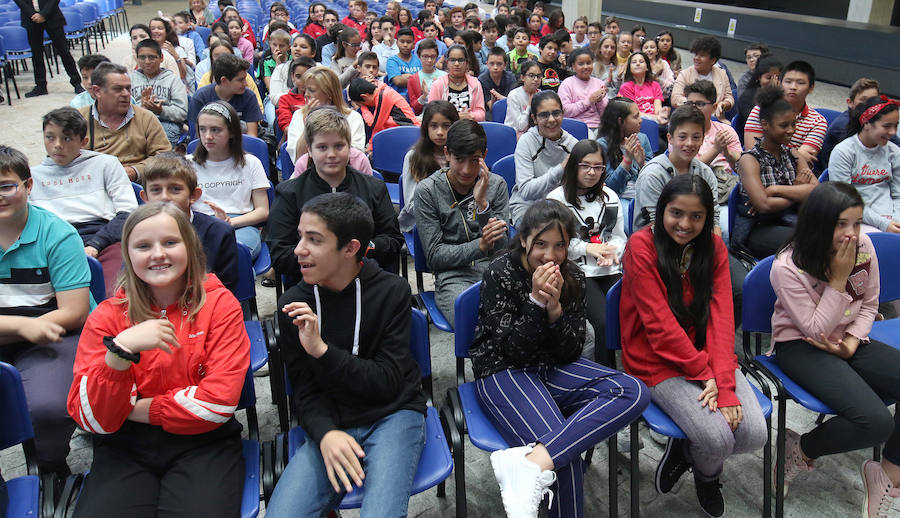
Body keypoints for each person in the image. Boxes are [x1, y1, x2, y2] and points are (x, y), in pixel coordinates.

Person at [66, 202, 249, 518]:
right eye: (143, 246)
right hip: (124, 448)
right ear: (128, 255)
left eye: (170, 242)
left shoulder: (220, 305)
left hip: (204, 443)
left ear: (190, 247)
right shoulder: (107, 318)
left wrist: (133, 408)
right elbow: (93, 419)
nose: (157, 254)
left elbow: (217, 404)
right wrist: (119, 353)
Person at [472, 199, 648, 518]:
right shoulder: (501, 272)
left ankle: (529, 464)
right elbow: (512, 350)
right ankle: (541, 464)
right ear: (524, 239)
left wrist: (555, 312)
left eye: (560, 245)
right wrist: (536, 302)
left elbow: (570, 350)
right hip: (504, 371)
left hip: (552, 367)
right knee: (565, 465)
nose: (550, 255)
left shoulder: (574, 278)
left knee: (633, 391)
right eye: (540, 244)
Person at [265, 192, 426, 518]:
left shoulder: (392, 291)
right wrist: (325, 434)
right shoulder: (294, 305)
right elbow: (304, 391)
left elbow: (387, 382)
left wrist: (321, 351)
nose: (298, 250)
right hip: (333, 418)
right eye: (300, 237)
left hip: (393, 414)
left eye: (314, 240)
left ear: (350, 248)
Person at [621, 174, 767, 518]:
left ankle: (687, 451)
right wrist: (705, 374)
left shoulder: (713, 248)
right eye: (676, 213)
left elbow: (720, 316)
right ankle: (706, 473)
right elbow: (659, 327)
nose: (685, 224)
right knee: (717, 439)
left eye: (696, 216)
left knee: (753, 434)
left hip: (703, 352)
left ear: (707, 218)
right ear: (661, 211)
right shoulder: (641, 247)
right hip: (654, 359)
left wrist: (725, 383)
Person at [770, 182, 900, 518]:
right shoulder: (787, 266)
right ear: (817, 223)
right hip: (800, 345)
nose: (852, 234)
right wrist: (839, 280)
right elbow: (814, 328)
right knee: (875, 422)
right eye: (841, 224)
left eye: (856, 223)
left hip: (847, 339)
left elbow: (870, 304)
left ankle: (888, 474)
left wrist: (853, 342)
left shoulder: (864, 245)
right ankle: (800, 449)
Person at [0, 145, 91, 478]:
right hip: (27, 328)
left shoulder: (57, 234)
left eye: (6, 186)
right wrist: (21, 326)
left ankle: (50, 464)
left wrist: (29, 329)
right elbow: (26, 326)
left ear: (28, 186)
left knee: (47, 408)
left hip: (54, 334)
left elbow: (74, 312)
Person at [268, 108, 403, 279]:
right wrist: (327, 256)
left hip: (364, 278)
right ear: (309, 150)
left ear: (349, 147)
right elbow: (280, 254)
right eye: (322, 147)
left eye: (339, 146)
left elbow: (393, 240)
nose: (331, 154)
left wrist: (358, 250)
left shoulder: (374, 188)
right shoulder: (289, 193)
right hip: (310, 285)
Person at [30, 107, 137, 296]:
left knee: (113, 293)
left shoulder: (106, 164)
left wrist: (96, 244)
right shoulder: (32, 175)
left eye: (67, 138)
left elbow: (128, 213)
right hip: (52, 242)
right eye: (50, 137)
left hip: (103, 238)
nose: (57, 145)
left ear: (84, 142)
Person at [413, 119, 509, 323]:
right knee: (476, 322)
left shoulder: (496, 185)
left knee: (526, 315)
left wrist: (482, 204)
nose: (466, 170)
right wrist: (481, 245)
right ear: (447, 153)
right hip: (453, 277)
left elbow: (502, 249)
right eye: (459, 159)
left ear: (484, 155)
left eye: (474, 160)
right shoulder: (428, 191)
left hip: (495, 270)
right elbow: (435, 256)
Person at [546, 139, 626, 358]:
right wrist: (587, 248)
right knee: (602, 322)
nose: (592, 172)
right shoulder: (556, 199)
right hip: (575, 270)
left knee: (629, 313)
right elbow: (554, 245)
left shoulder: (610, 197)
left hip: (609, 268)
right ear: (574, 166)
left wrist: (612, 251)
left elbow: (619, 236)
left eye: (598, 167)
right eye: (585, 166)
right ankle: (605, 373)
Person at [141, 153, 239, 292]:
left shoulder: (219, 233)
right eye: (156, 190)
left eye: (175, 189)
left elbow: (225, 289)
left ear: (193, 195)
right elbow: (132, 285)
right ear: (145, 197)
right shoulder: (138, 235)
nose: (164, 197)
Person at [188, 101, 269, 261]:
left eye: (215, 130)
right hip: (199, 223)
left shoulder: (251, 163)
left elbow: (263, 211)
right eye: (202, 129)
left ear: (231, 132)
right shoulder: (187, 164)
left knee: (236, 254)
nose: (207, 136)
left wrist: (229, 222)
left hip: (240, 224)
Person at [78, 63, 172, 182]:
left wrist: (135, 171)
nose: (126, 94)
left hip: (139, 187)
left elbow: (165, 157)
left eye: (128, 88)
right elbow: (67, 160)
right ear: (97, 91)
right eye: (117, 89)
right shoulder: (79, 120)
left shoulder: (146, 118)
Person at [829, 95, 900, 233]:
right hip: (857, 220)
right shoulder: (844, 152)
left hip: (892, 218)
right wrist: (884, 224)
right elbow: (846, 201)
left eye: (896, 126)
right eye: (886, 126)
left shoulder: (894, 152)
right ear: (866, 123)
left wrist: (896, 222)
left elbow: (898, 194)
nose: (893, 132)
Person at [743, 61, 827, 173]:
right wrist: (796, 153)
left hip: (795, 179)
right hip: (758, 173)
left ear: (811, 88)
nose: (793, 87)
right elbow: (753, 154)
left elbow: (801, 165)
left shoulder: (817, 122)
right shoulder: (761, 109)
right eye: (788, 81)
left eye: (801, 83)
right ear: (780, 83)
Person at [510, 90, 578, 225]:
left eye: (556, 113)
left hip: (562, 207)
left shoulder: (572, 144)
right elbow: (526, 191)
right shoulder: (526, 142)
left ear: (563, 114)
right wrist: (560, 169)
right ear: (534, 118)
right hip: (527, 207)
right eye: (544, 115)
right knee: (547, 232)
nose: (551, 120)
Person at [399, 101, 458, 232]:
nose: (440, 132)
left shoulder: (461, 156)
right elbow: (411, 204)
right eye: (434, 126)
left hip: (457, 220)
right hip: (423, 223)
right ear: (426, 128)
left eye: (446, 126)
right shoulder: (414, 157)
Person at [286, 67, 366, 163]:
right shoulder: (299, 115)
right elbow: (298, 159)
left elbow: (356, 158)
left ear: (329, 93)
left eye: (311, 90)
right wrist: (309, 122)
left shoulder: (353, 117)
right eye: (305, 89)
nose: (306, 94)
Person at [821, 79, 900, 168]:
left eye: (873, 100)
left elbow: (896, 146)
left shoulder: (880, 123)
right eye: (863, 100)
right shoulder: (843, 125)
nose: (869, 105)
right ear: (850, 102)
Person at [686, 79, 742, 204]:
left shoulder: (726, 131)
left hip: (724, 188)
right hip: (692, 190)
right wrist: (716, 149)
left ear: (714, 107)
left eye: (700, 104)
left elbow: (740, 167)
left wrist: (727, 153)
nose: (693, 109)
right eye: (689, 104)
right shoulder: (680, 134)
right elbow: (687, 169)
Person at [12, 0, 82, 97]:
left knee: (64, 51)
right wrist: (33, 15)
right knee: (36, 54)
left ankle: (76, 83)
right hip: (31, 19)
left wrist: (43, 14)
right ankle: (41, 86)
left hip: (52, 16)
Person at [130, 39, 189, 148]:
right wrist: (142, 108)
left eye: (152, 57)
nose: (147, 61)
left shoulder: (173, 80)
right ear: (137, 59)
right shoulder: (130, 79)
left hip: (166, 123)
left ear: (161, 58)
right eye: (142, 57)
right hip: (137, 123)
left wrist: (160, 110)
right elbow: (122, 112)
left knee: (159, 149)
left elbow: (182, 112)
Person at [189, 54, 264, 137]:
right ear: (224, 80)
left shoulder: (249, 96)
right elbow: (197, 137)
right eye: (241, 80)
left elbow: (252, 136)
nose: (246, 84)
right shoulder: (200, 97)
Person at [597, 97, 653, 199]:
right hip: (619, 197)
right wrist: (627, 160)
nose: (640, 120)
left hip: (643, 195)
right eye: (635, 117)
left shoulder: (642, 139)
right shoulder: (601, 146)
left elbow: (653, 179)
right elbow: (610, 188)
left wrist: (642, 164)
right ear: (620, 121)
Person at [671, 36, 733, 120]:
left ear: (713, 60)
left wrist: (724, 104)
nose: (697, 58)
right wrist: (696, 104)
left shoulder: (721, 73)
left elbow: (729, 97)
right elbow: (675, 98)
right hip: (690, 118)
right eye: (696, 54)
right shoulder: (685, 74)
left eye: (702, 55)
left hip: (716, 119)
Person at [196, 37, 265, 112]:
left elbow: (259, 108)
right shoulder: (206, 79)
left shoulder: (245, 78)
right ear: (211, 58)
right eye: (217, 56)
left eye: (226, 55)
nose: (222, 59)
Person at [347, 77, 418, 145]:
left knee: (384, 123)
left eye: (360, 104)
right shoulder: (381, 90)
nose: (362, 106)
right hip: (403, 130)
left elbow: (374, 126)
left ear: (364, 97)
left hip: (410, 130)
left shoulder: (383, 95)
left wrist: (363, 107)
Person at [428, 45, 486, 121]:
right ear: (447, 63)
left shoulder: (475, 84)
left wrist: (470, 116)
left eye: (461, 60)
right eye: (452, 60)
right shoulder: (438, 85)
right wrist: (455, 117)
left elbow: (481, 113)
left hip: (469, 127)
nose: (456, 64)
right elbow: (431, 112)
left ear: (467, 63)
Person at [735, 55, 781, 138]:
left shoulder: (786, 96)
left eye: (777, 77)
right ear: (759, 77)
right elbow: (759, 123)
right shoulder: (747, 97)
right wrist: (772, 94)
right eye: (768, 77)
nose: (774, 81)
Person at [618, 51, 667, 125]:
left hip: (655, 121)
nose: (638, 64)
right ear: (629, 68)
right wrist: (655, 118)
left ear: (647, 67)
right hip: (636, 122)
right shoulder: (626, 87)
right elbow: (634, 113)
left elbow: (657, 108)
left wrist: (662, 113)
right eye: (634, 62)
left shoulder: (655, 85)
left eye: (641, 61)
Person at [269, 34, 317, 108]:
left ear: (313, 53)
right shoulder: (281, 69)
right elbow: (274, 97)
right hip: (286, 108)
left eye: (303, 47)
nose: (297, 49)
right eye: (294, 46)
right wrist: (297, 101)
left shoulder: (320, 69)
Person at [408, 39, 448, 114]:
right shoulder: (413, 79)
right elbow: (415, 108)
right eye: (425, 56)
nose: (429, 60)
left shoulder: (444, 76)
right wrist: (424, 96)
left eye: (432, 56)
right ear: (419, 57)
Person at [276, 57, 315, 133]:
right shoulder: (285, 100)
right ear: (292, 76)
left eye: (307, 76)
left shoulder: (321, 97)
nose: (303, 81)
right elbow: (286, 128)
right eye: (298, 76)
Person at [505, 60, 542, 137]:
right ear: (522, 77)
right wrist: (529, 105)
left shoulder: (540, 94)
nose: (535, 79)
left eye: (538, 76)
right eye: (531, 75)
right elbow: (521, 127)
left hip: (534, 133)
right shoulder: (514, 95)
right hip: (514, 134)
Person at [478, 47, 516, 118]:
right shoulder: (481, 80)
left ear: (505, 65)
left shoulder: (511, 78)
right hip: (490, 114)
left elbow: (514, 104)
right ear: (487, 64)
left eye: (499, 64)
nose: (495, 67)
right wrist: (495, 100)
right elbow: (492, 108)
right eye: (492, 64)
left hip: (510, 112)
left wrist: (500, 97)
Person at [386, 28, 423, 100]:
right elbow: (398, 81)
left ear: (413, 44)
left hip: (418, 98)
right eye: (402, 42)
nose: (405, 45)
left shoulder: (419, 59)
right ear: (397, 43)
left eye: (408, 42)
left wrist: (406, 76)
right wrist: (416, 78)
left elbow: (426, 80)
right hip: (398, 99)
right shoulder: (392, 60)